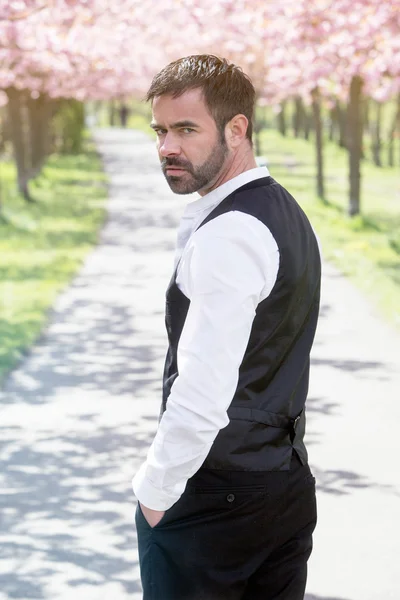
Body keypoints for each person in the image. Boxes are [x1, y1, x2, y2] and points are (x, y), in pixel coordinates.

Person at [132, 54, 321, 600]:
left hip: (216, 503)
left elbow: (201, 390)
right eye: (161, 130)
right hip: (281, 483)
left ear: (237, 129)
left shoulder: (229, 234)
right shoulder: (281, 209)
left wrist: (156, 491)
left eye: (187, 129)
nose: (168, 146)